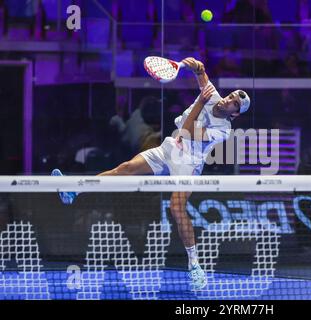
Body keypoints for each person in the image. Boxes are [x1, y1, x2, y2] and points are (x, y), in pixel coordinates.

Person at [52, 57, 251, 291]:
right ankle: (73, 190)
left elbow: (187, 131)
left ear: (234, 114)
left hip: (188, 163)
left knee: (176, 208)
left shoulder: (223, 130)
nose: (228, 100)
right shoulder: (213, 93)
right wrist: (190, 64)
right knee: (124, 169)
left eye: (233, 103)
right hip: (169, 148)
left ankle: (195, 266)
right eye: (231, 96)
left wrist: (200, 102)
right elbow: (201, 70)